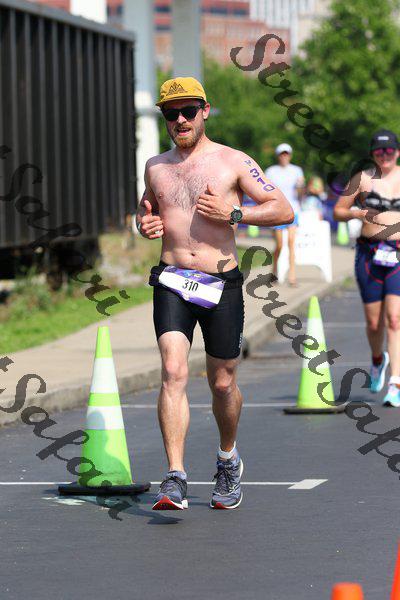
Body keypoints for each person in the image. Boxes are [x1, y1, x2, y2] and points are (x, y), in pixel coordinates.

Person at [136, 77, 293, 510]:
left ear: (205, 110)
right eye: (171, 113)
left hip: (220, 283)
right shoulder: (155, 166)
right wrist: (143, 225)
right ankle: (175, 476)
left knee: (222, 383)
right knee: (173, 370)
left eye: (188, 111)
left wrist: (235, 213)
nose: (180, 120)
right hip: (172, 280)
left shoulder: (233, 161)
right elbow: (146, 210)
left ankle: (227, 458)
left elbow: (283, 209)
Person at [334, 129, 400, 407]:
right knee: (374, 323)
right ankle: (377, 359)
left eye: (389, 151)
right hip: (369, 254)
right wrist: (356, 213)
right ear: (372, 153)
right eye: (379, 151)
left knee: (394, 319)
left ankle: (396, 382)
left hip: (398, 254)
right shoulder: (362, 179)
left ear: (397, 152)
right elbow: (338, 210)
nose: (384, 156)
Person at [265, 144, 305, 286]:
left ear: (290, 155)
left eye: (286, 154)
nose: (284, 156)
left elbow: (300, 194)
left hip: (293, 210)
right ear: (278, 156)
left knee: (291, 243)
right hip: (277, 211)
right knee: (280, 245)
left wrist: (301, 187)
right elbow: (266, 192)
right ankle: (274, 271)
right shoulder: (271, 171)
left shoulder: (297, 170)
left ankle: (292, 276)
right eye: (282, 154)